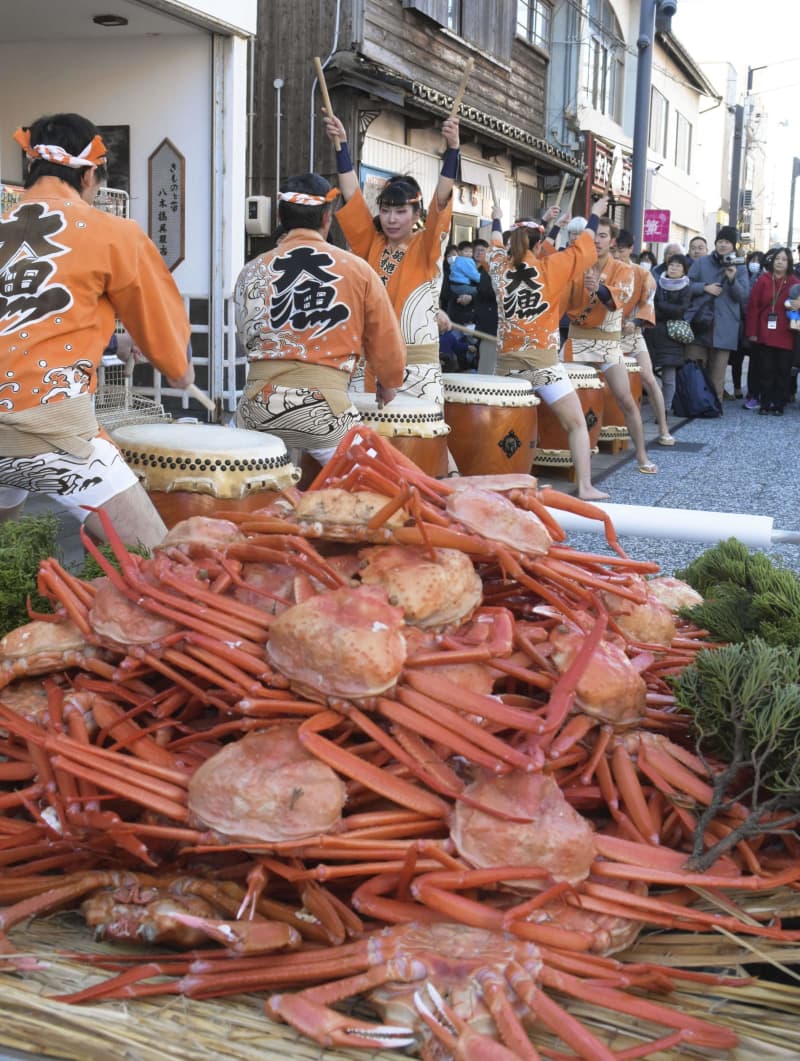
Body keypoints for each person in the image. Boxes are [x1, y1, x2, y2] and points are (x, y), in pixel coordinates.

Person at [0, 112, 194, 549]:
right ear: (89, 176)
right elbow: (174, 360)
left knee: (6, 552)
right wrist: (182, 373)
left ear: (31, 169)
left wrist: (112, 341)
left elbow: (24, 325)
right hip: (57, 435)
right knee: (161, 560)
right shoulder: (113, 232)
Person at [233, 172, 405, 467]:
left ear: (279, 215)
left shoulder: (251, 271)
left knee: (242, 488)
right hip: (326, 413)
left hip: (256, 408)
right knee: (382, 484)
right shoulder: (357, 270)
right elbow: (386, 343)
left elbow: (247, 338)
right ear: (327, 218)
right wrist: (388, 382)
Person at [323, 109, 458, 405]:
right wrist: (342, 146)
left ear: (416, 215)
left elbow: (442, 199)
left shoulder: (427, 247)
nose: (391, 219)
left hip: (417, 373)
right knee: (366, 448)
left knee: (422, 448)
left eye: (400, 212)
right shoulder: (371, 243)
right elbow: (352, 195)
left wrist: (454, 150)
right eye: (385, 211)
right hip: (369, 368)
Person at [486, 194, 611, 500]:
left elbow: (493, 244)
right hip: (543, 365)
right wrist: (594, 214)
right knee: (576, 424)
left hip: (507, 366)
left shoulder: (497, 266)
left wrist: (498, 217)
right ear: (539, 245)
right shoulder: (550, 267)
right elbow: (585, 246)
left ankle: (502, 485)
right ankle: (584, 486)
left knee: (506, 430)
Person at [565, 217, 657, 475]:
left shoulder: (623, 269)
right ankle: (564, 454)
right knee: (562, 399)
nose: (597, 240)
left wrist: (600, 289)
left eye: (603, 236)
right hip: (577, 340)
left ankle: (641, 453)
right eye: (594, 235)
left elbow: (619, 296)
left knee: (626, 399)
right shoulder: (575, 263)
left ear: (612, 241)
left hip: (607, 343)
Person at [614, 229, 674, 445]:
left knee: (648, 377)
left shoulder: (642, 274)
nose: (617, 254)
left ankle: (664, 427)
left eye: (620, 250)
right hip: (606, 335)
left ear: (630, 249)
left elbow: (647, 304)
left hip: (633, 331)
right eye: (614, 250)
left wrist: (636, 322)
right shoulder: (604, 269)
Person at [685, 225, 750, 404]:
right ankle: (692, 404)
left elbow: (742, 296)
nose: (723, 245)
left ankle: (714, 405)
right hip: (699, 323)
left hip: (724, 326)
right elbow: (685, 285)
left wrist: (732, 278)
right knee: (694, 368)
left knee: (718, 373)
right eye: (720, 241)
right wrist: (704, 287)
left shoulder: (740, 266)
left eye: (727, 242)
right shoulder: (701, 262)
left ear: (733, 246)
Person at [744, 246, 797, 415]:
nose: (780, 262)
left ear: (789, 263)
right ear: (772, 262)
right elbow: (753, 306)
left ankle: (779, 403)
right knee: (765, 369)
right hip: (764, 329)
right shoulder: (763, 280)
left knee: (783, 370)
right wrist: (751, 331)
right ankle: (765, 402)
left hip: (786, 331)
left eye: (784, 259)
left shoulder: (795, 282)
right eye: (777, 259)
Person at [646, 253, 691, 414]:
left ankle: (665, 408)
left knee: (669, 376)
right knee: (649, 374)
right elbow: (652, 307)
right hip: (653, 334)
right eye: (672, 264)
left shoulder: (686, 287)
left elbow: (680, 310)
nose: (674, 267)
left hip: (673, 337)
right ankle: (655, 405)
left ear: (684, 270)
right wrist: (667, 308)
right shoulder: (656, 283)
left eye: (678, 265)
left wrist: (662, 306)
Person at [734, 250, 766, 404]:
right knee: (737, 357)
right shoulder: (742, 273)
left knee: (755, 359)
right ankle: (737, 386)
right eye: (752, 259)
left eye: (758, 260)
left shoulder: (765, 277)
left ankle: (754, 390)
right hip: (740, 321)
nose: (755, 263)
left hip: (756, 324)